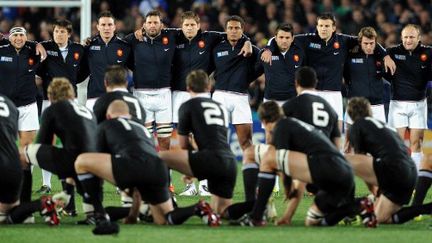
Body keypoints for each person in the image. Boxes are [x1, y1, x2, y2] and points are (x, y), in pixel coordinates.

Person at [74, 99, 220, 235]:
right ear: (129, 115)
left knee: (82, 161)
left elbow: (99, 157)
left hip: (130, 165)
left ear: (108, 115)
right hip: (157, 168)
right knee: (163, 220)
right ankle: (197, 208)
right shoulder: (141, 129)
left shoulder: (106, 125)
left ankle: (98, 215)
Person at [235, 101, 375, 227]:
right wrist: (287, 216)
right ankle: (358, 205)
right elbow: (297, 176)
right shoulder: (296, 129)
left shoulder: (282, 127)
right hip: (341, 176)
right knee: (313, 221)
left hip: (329, 168)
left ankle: (256, 215)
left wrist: (287, 188)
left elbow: (281, 163)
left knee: (269, 158)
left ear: (264, 122)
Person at [263, 13, 395, 133]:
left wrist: (385, 56)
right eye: (320, 25)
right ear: (317, 26)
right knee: (311, 132)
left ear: (333, 28)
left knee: (336, 132)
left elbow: (367, 40)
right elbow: (279, 39)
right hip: (313, 92)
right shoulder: (307, 40)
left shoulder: (343, 41)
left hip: (334, 94)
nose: (323, 29)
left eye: (327, 26)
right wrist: (268, 49)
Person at [171, 11, 251, 197]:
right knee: (186, 143)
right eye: (186, 25)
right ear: (181, 27)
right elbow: (155, 31)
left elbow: (234, 33)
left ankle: (205, 183)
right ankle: (189, 185)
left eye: (193, 25)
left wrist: (247, 40)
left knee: (202, 140)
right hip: (179, 95)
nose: (189, 28)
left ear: (199, 25)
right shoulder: (173, 37)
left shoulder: (210, 38)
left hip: (202, 94)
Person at [241, 67, 340, 203]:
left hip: (304, 167)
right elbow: (337, 145)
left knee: (256, 153)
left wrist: (287, 186)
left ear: (296, 83)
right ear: (316, 83)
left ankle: (255, 205)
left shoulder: (292, 105)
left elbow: (275, 138)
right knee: (315, 217)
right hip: (329, 173)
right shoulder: (330, 109)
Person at [159, 70, 237, 215]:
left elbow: (183, 145)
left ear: (188, 88)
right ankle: (256, 206)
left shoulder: (187, 106)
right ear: (208, 87)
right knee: (222, 211)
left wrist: (191, 168)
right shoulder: (220, 107)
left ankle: (166, 202)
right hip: (229, 161)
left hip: (209, 159)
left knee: (160, 157)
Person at [21, 77, 98, 224]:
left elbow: (42, 144)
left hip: (75, 163)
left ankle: (26, 211)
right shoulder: (86, 110)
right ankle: (88, 213)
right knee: (69, 155)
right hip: (96, 166)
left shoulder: (53, 109)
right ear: (71, 94)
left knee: (25, 154)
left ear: (50, 96)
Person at [345, 97, 432, 224]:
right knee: (380, 218)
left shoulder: (357, 126)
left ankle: (342, 202)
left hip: (394, 171)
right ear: (369, 110)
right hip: (410, 174)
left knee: (344, 159)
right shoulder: (384, 127)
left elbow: (361, 160)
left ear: (350, 114)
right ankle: (426, 208)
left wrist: (374, 190)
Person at [36, 19, 86, 195]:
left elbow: (83, 72)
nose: (59, 34)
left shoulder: (79, 49)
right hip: (49, 101)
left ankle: (73, 180)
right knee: (48, 141)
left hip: (70, 102)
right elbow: (37, 68)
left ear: (69, 33)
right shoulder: (44, 47)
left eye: (62, 31)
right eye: (56, 31)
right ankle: (46, 183)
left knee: (71, 141)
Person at [0, 94, 59, 226]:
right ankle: (40, 205)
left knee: (4, 217)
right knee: (7, 217)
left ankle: (39, 205)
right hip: (14, 170)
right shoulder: (9, 104)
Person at [0, 26, 42, 207]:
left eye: (21, 35)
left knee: (27, 149)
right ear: (9, 37)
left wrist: (37, 43)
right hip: (5, 107)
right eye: (15, 35)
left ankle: (25, 185)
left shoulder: (33, 51)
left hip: (28, 106)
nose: (18, 38)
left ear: (26, 37)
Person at [385, 24, 432, 175]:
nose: (408, 40)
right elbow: (378, 52)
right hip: (397, 105)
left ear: (419, 38)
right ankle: (398, 176)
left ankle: (416, 178)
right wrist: (385, 56)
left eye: (411, 37)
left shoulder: (428, 53)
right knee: (396, 143)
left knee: (416, 143)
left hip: (419, 105)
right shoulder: (392, 52)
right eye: (405, 37)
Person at [212, 15, 260, 153]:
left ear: (242, 30)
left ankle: (249, 173)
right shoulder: (216, 48)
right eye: (230, 28)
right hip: (219, 96)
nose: (233, 31)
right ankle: (215, 173)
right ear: (225, 29)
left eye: (237, 28)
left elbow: (264, 63)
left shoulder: (252, 50)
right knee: (216, 141)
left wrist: (248, 78)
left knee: (246, 142)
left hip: (240, 97)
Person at [344, 27, 386, 152]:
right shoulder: (350, 56)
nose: (369, 46)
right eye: (366, 43)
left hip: (376, 106)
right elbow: (345, 76)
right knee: (349, 144)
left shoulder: (381, 57)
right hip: (355, 105)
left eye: (372, 43)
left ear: (376, 42)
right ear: (360, 42)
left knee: (380, 142)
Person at [81, 11, 131, 110]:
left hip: (117, 97)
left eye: (109, 24)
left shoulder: (125, 47)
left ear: (114, 27)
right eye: (103, 25)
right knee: (94, 125)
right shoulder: (88, 46)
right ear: (98, 27)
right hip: (94, 97)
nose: (106, 28)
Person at [255, 23, 305, 105]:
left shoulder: (300, 53)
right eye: (281, 37)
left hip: (292, 100)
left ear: (292, 39)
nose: (284, 40)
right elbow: (256, 72)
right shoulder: (265, 54)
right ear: (276, 38)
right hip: (270, 101)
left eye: (287, 37)